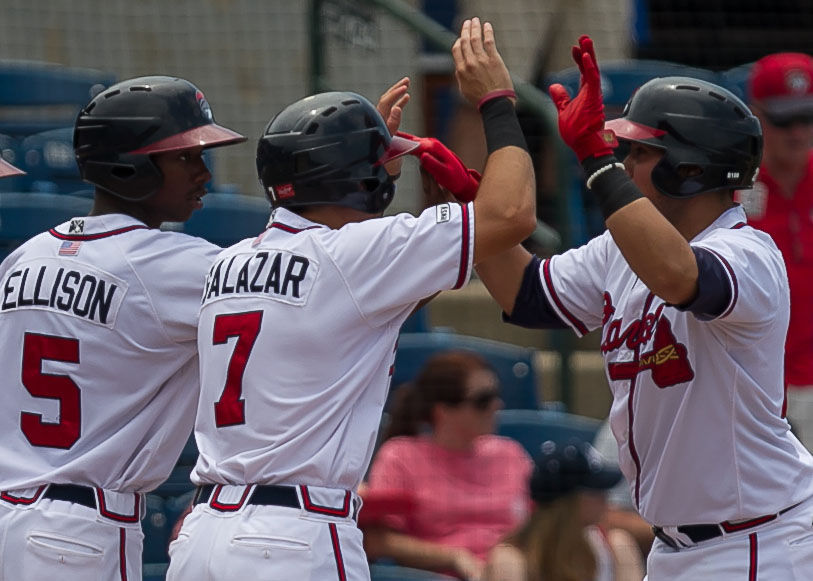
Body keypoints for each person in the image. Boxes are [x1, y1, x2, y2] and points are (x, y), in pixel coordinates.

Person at [164, 17, 536, 581]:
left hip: (205, 536)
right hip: (294, 538)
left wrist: (362, 159)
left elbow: (359, 307)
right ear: (362, 182)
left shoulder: (229, 260)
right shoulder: (355, 256)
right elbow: (512, 215)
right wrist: (499, 103)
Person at [475, 35, 813, 580]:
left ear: (689, 168)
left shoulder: (750, 254)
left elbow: (681, 278)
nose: (626, 163)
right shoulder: (620, 249)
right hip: (677, 551)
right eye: (624, 152)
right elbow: (527, 295)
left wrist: (594, 160)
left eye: (641, 151)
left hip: (758, 543)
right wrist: (476, 213)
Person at [0, 75, 246, 580]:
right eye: (185, 157)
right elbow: (311, 296)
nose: (203, 172)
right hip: (75, 536)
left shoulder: (24, 259)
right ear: (130, 165)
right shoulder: (173, 263)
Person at [363, 350, 533, 581]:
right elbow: (377, 540)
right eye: (483, 400)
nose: (496, 405)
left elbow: (541, 524)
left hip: (516, 568)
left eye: (496, 395)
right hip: (437, 576)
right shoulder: (401, 456)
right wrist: (454, 557)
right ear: (443, 411)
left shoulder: (510, 453)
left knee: (508, 561)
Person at [735, 52, 813, 450]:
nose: (798, 132)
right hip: (755, 388)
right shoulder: (727, 188)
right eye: (784, 120)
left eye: (807, 117)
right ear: (756, 116)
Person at [484, 437, 643, 581]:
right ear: (568, 501)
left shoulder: (616, 546)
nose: (604, 498)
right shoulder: (511, 560)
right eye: (594, 491)